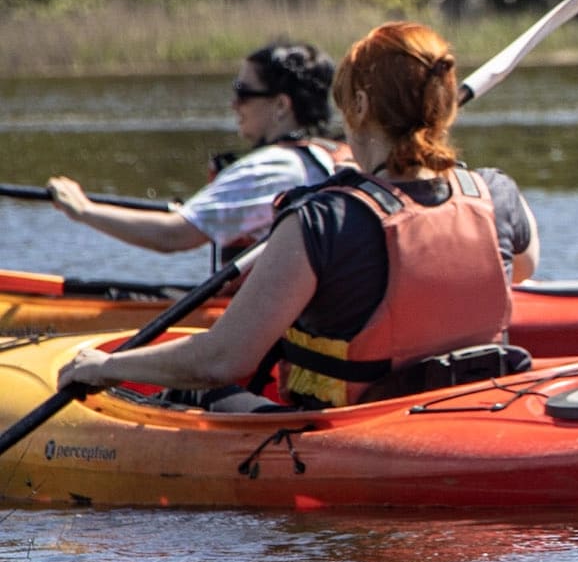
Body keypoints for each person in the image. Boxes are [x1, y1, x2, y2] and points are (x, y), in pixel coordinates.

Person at [59, 22, 540, 409]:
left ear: (360, 105)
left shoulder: (321, 219)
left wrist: (106, 368)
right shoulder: (495, 192)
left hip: (352, 432)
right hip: (476, 407)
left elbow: (224, 359)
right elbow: (520, 268)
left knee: (196, 390)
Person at [46, 42, 351, 257]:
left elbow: (172, 235)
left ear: (282, 105)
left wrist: (83, 210)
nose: (233, 103)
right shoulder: (333, 154)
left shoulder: (274, 167)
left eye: (243, 92)